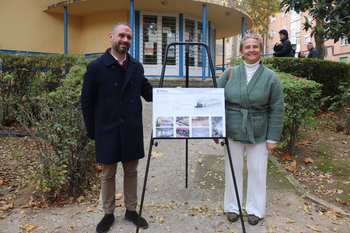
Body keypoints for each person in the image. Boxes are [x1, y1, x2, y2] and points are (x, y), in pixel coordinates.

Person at [81, 22, 153, 233]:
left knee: (131, 172)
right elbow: (87, 101)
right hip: (107, 128)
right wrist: (92, 130)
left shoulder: (136, 66)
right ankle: (108, 213)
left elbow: (148, 93)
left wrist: (172, 93)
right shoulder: (96, 67)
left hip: (131, 127)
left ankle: (131, 210)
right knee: (108, 174)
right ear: (111, 36)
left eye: (129, 37)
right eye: (121, 35)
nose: (125, 40)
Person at [216, 35, 284, 226]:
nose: (251, 50)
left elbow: (277, 108)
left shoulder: (270, 77)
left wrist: (273, 138)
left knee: (257, 170)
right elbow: (213, 99)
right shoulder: (229, 73)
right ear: (241, 51)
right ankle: (232, 206)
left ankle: (255, 209)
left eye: (255, 46)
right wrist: (215, 129)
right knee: (232, 169)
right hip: (232, 129)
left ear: (260, 49)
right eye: (247, 47)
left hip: (259, 130)